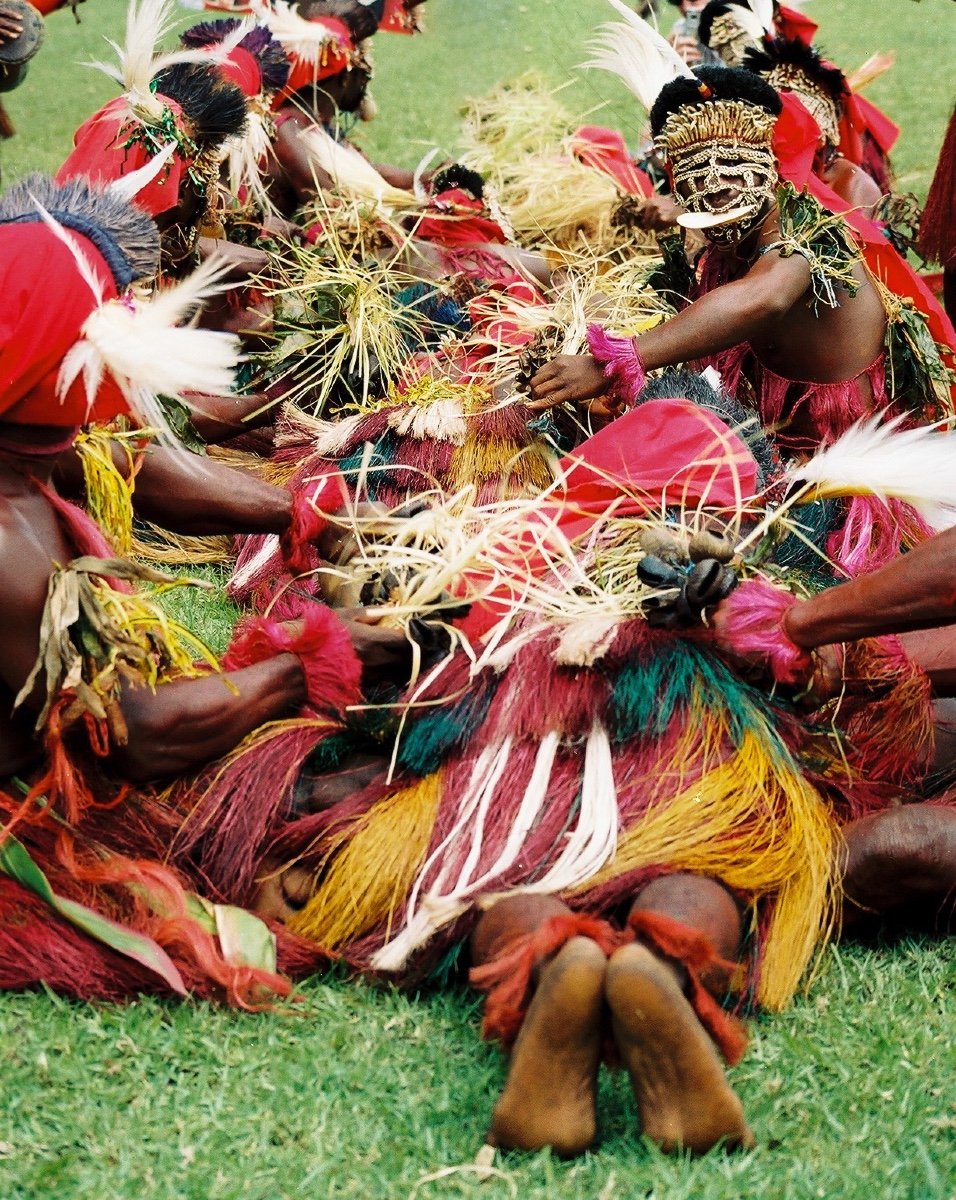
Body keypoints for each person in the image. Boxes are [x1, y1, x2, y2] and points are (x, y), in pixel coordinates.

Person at [0, 173, 409, 1003]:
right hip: (28, 809)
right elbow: (136, 738)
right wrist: (310, 661)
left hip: (70, 751)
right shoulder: (4, 545)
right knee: (331, 807)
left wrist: (308, 516)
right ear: (59, 345)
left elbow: (128, 467)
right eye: (120, 313)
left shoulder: (20, 438)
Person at [528, 65, 953, 571]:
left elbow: (762, 299)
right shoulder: (724, 252)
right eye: (692, 179)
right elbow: (695, 329)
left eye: (730, 166)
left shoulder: (810, 237)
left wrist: (616, 360)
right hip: (769, 456)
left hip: (848, 490)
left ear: (770, 167)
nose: (714, 191)